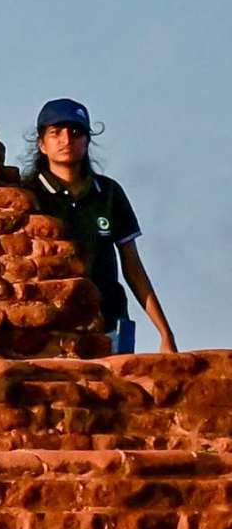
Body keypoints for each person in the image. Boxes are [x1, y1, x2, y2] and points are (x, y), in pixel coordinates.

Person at [25, 99, 177, 357]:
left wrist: (165, 332)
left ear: (87, 140)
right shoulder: (27, 194)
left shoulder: (108, 193)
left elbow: (133, 266)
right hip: (51, 328)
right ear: (42, 143)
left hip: (110, 322)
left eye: (76, 132)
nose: (66, 139)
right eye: (56, 132)